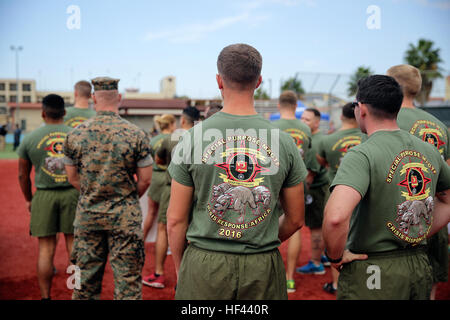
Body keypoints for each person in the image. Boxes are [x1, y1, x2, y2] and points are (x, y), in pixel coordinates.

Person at [167, 43, 307, 300]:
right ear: (259, 81)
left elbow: (175, 221)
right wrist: (260, 238)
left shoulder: (192, 138)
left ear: (219, 81)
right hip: (262, 265)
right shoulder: (285, 142)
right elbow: (296, 219)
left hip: (204, 265)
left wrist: (181, 268)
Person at [322, 75, 450, 300]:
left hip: (373, 266)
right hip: (419, 263)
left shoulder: (362, 153)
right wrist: (417, 233)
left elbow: (336, 217)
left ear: (361, 109)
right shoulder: (429, 151)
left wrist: (335, 257)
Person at [63, 77, 153, 300]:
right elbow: (145, 180)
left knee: (83, 283)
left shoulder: (75, 135)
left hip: (88, 217)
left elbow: (72, 177)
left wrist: (92, 192)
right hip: (125, 217)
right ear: (119, 98)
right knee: (128, 284)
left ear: (93, 99)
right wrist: (128, 197)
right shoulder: (136, 134)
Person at [387, 64, 450, 300]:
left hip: (398, 219)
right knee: (428, 284)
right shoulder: (440, 125)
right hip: (434, 216)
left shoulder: (385, 118)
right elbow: (447, 183)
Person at [17, 94, 79, 300]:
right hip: (72, 194)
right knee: (74, 249)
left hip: (43, 196)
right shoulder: (76, 135)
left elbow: (22, 175)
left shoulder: (30, 138)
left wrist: (28, 199)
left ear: (43, 113)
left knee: (46, 250)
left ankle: (45, 297)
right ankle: (77, 294)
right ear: (64, 113)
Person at [143, 106, 200, 289]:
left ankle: (159, 274)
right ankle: (190, 278)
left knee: (165, 229)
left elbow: (159, 161)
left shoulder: (171, 138)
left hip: (173, 188)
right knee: (195, 233)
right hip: (200, 192)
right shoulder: (204, 138)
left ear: (183, 120)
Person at [316, 102, 366, 294]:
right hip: (364, 193)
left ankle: (337, 284)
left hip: (337, 191)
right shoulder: (368, 138)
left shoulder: (328, 140)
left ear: (342, 117)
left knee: (337, 237)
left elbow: (323, 162)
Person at [272, 90, 313, 293]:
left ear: (279, 106)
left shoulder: (271, 127)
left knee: (270, 225)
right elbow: (311, 163)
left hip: (274, 182)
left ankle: (273, 274)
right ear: (296, 107)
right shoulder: (305, 128)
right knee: (295, 227)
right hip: (298, 182)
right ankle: (289, 278)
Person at [142, 113, 177, 288]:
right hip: (169, 179)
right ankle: (170, 247)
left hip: (155, 177)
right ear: (171, 123)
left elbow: (150, 159)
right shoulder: (175, 137)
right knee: (169, 220)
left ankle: (140, 242)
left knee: (151, 214)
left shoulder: (154, 139)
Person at [297, 108, 330, 275]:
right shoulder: (317, 137)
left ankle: (316, 263)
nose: (303, 122)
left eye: (307, 120)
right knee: (320, 225)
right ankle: (322, 255)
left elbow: (310, 174)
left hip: (316, 189)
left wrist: (301, 195)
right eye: (302, 118)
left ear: (317, 123)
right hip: (324, 186)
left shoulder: (315, 141)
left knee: (316, 227)